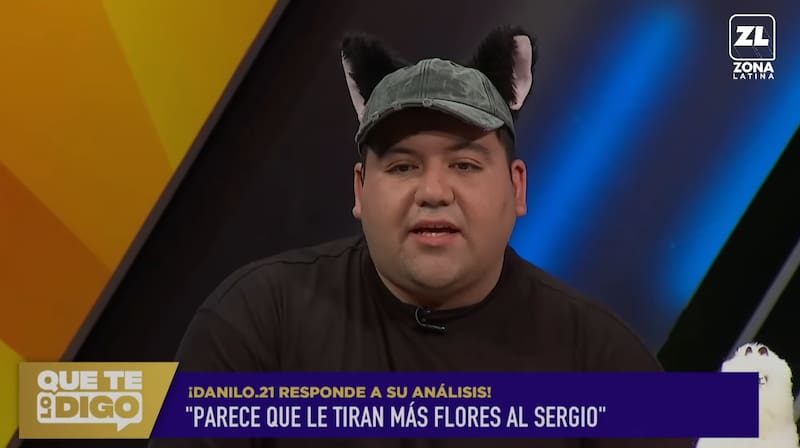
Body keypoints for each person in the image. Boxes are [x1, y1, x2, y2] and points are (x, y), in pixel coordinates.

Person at [150, 27, 694, 448]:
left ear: (517, 188)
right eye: (403, 166)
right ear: (360, 190)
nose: (433, 192)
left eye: (464, 165)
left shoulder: (605, 365)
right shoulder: (259, 322)